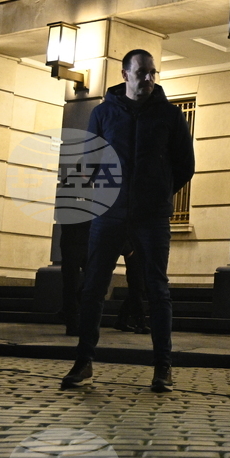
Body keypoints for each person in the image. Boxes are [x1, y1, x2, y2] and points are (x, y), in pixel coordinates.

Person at [61, 49, 194, 392]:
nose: (148, 78)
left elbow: (185, 165)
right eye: (141, 72)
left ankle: (163, 367)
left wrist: (158, 193)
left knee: (157, 289)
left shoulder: (170, 115)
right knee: (93, 287)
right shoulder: (103, 113)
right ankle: (83, 361)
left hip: (151, 217)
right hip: (109, 214)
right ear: (125, 75)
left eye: (152, 73)